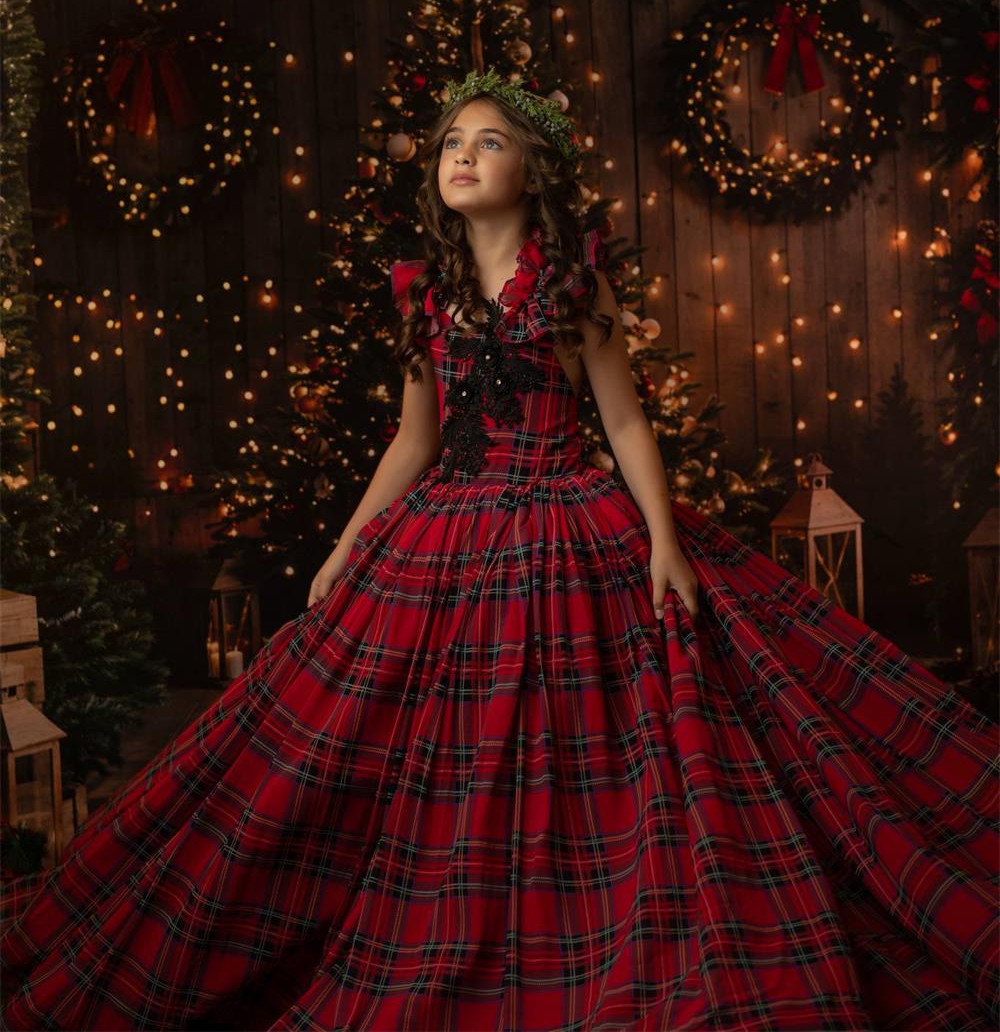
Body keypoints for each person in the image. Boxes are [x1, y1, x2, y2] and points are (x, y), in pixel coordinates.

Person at [1, 67, 997, 1032]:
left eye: (490, 142)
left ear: (535, 171)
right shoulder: (423, 293)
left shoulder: (573, 287)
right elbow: (415, 437)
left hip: (567, 518)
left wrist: (663, 542)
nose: (462, 156)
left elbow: (627, 424)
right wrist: (347, 546)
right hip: (445, 530)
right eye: (450, 143)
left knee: (605, 740)